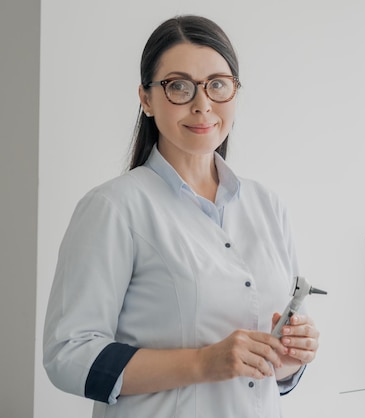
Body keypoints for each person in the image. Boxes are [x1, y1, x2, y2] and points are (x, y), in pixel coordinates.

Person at [43, 15, 320, 418]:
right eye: (178, 86)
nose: (202, 104)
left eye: (218, 85)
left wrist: (291, 356)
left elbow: (270, 373)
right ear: (146, 98)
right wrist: (203, 363)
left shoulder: (267, 205)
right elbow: (67, 356)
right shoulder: (115, 207)